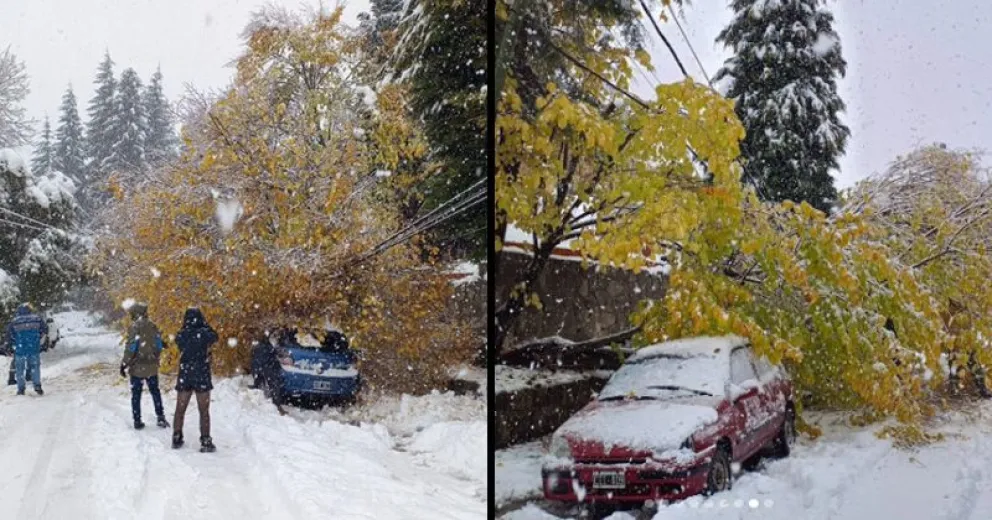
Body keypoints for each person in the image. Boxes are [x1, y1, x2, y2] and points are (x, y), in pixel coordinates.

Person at [172, 307, 219, 452]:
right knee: (204, 410)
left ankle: (177, 436)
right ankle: (205, 440)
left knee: (180, 409)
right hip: (201, 373)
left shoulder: (181, 335)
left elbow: (179, 343)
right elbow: (215, 336)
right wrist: (204, 325)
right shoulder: (205, 334)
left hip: (185, 374)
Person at [120, 303, 168, 430]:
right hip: (152, 366)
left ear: (135, 314)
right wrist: (155, 356)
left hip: (137, 367)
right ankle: (160, 417)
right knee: (155, 391)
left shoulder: (134, 327)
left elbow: (131, 348)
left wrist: (124, 364)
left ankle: (137, 420)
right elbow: (159, 345)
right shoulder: (152, 326)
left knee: (136, 394)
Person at [7, 303, 46, 396]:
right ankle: (37, 385)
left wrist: (16, 342)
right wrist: (37, 338)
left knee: (20, 369)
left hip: (20, 349)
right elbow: (45, 329)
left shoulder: (15, 321)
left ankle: (21, 389)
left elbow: (10, 335)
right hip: (34, 348)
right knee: (35, 367)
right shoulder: (37, 319)